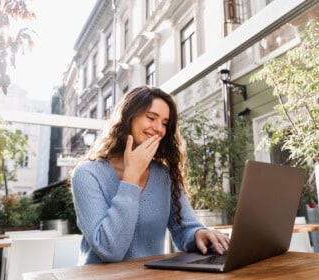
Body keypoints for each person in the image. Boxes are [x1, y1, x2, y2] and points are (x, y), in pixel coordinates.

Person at [71, 85, 229, 264]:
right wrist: (131, 178)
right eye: (151, 118)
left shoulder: (164, 175)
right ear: (128, 118)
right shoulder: (87, 174)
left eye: (164, 123)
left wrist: (200, 234)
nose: (158, 128)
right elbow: (109, 250)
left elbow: (185, 228)